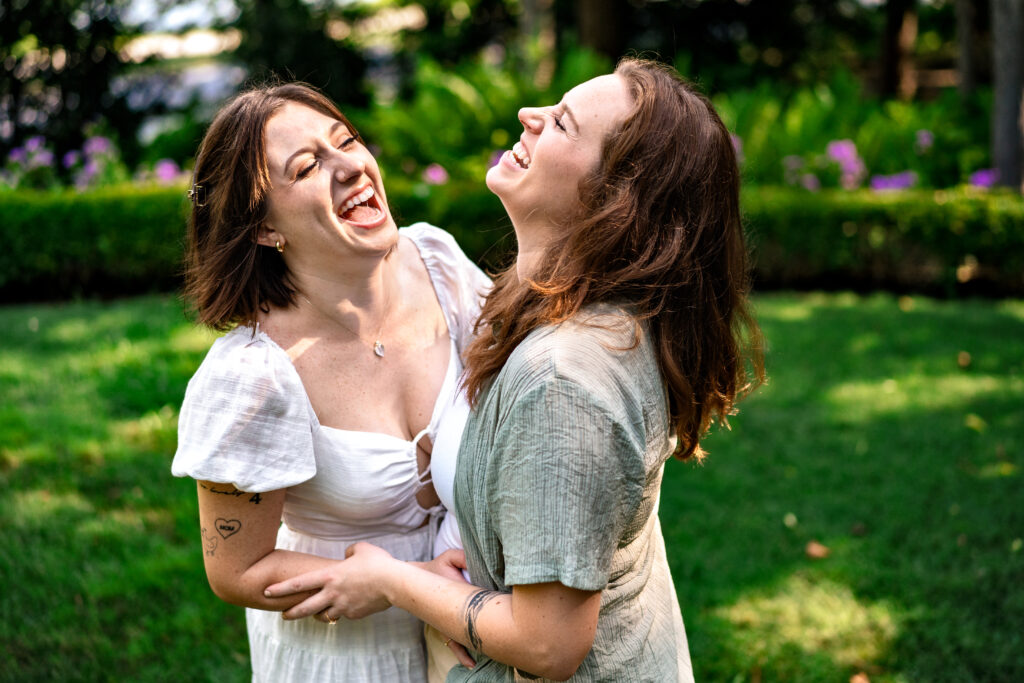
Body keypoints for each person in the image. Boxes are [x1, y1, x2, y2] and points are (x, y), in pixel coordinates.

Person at [264, 58, 765, 681]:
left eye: (561, 123)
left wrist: (391, 578)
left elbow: (548, 644)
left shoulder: (562, 382)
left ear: (612, 198)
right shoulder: (567, 305)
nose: (529, 116)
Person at [170, 82, 490, 682]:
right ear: (265, 229)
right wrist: (405, 587)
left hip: (474, 628)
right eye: (309, 166)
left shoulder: (439, 266)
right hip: (348, 652)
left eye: (345, 141)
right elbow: (235, 570)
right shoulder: (252, 378)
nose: (350, 166)